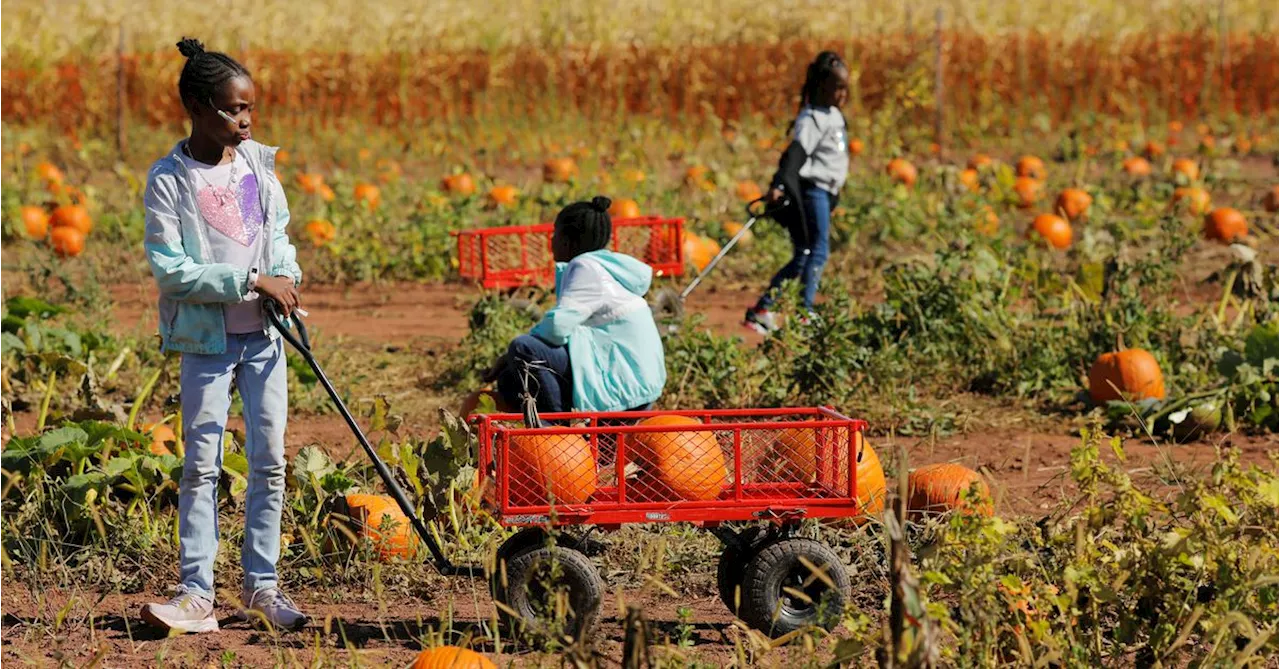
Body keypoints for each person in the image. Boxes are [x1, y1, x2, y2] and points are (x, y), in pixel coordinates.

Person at [139, 37, 306, 634]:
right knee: (201, 466)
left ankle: (263, 588)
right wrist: (250, 278)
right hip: (206, 345)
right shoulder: (170, 179)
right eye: (234, 110)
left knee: (271, 462)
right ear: (197, 107)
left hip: (265, 339)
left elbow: (278, 234)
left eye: (250, 108)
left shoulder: (259, 165)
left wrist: (284, 274)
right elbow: (172, 270)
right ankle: (196, 595)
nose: (246, 120)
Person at [482, 196, 666, 416]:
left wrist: (507, 356)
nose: (551, 241)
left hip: (624, 385)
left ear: (568, 240)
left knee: (523, 348)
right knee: (510, 381)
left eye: (555, 234)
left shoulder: (586, 267)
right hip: (636, 382)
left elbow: (558, 327)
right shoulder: (605, 268)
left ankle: (559, 430)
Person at [745, 51, 850, 334]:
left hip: (824, 192)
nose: (842, 94)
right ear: (821, 86)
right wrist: (779, 184)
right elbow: (795, 154)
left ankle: (762, 309)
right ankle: (805, 313)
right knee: (818, 251)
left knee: (804, 253)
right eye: (837, 87)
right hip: (811, 192)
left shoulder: (833, 116)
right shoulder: (811, 119)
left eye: (845, 88)